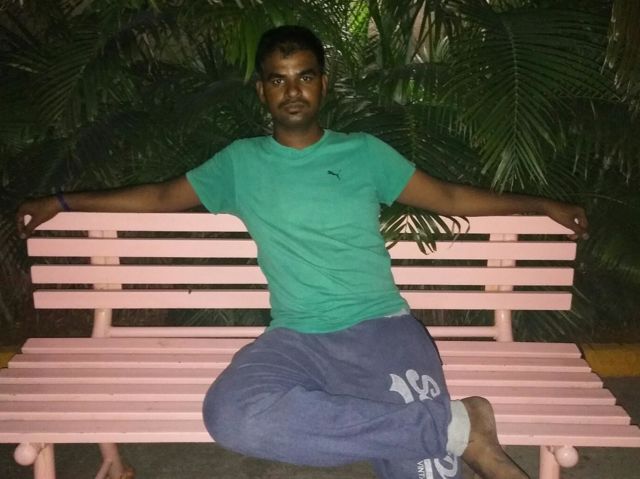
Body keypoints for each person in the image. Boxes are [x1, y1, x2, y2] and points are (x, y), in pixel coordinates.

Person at [17, 25, 587, 479]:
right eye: (278, 79)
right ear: (262, 90)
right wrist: (63, 200)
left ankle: (426, 431)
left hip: (382, 331)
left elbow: (450, 197)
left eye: (305, 76)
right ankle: (460, 425)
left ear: (323, 84)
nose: (293, 90)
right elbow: (162, 195)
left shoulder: (364, 153)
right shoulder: (240, 163)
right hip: (297, 339)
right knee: (233, 416)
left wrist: (539, 204)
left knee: (426, 473)